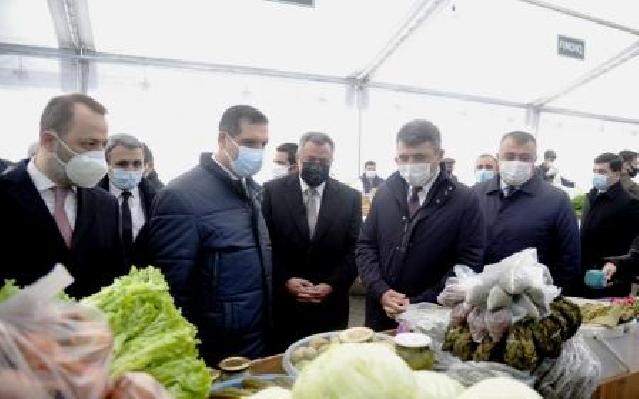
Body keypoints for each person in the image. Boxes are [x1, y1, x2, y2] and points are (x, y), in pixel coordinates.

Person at [145, 105, 272, 365]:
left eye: (263, 144)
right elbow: (170, 287)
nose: (257, 152)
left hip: (253, 337)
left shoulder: (252, 191)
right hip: (212, 347)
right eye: (249, 142)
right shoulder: (181, 196)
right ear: (223, 139)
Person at [356, 119, 485, 331]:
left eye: (419, 157)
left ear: (439, 155)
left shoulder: (464, 200)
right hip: (380, 310)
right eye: (403, 158)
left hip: (430, 319)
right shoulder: (385, 192)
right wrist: (381, 290)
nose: (410, 165)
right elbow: (366, 245)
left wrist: (419, 303)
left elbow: (468, 263)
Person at [0, 93, 127, 298]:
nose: (98, 155)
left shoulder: (106, 205)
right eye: (89, 144)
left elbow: (116, 279)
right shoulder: (4, 195)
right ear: (49, 140)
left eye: (102, 145)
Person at [262, 132, 361, 351]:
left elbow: (355, 249)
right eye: (310, 161)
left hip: (330, 305)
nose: (316, 166)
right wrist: (286, 280)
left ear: (332, 160)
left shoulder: (350, 197)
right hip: (285, 305)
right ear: (298, 158)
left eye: (323, 162)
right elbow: (265, 246)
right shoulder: (271, 192)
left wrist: (331, 284)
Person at [473, 131, 580, 294]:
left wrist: (552, 298)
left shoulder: (557, 200)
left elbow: (569, 258)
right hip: (477, 298)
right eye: (509, 156)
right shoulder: (475, 195)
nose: (516, 163)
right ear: (498, 158)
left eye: (524, 158)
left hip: (531, 303)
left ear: (534, 160)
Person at [581, 153, 639, 297]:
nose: (596, 175)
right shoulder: (591, 197)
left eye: (602, 172)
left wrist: (618, 270)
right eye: (595, 171)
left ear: (617, 173)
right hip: (584, 273)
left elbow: (633, 248)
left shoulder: (629, 204)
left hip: (609, 278)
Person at [98, 134, 159, 266]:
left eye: (137, 164)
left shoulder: (158, 200)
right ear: (107, 164)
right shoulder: (89, 200)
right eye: (122, 164)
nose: (130, 170)